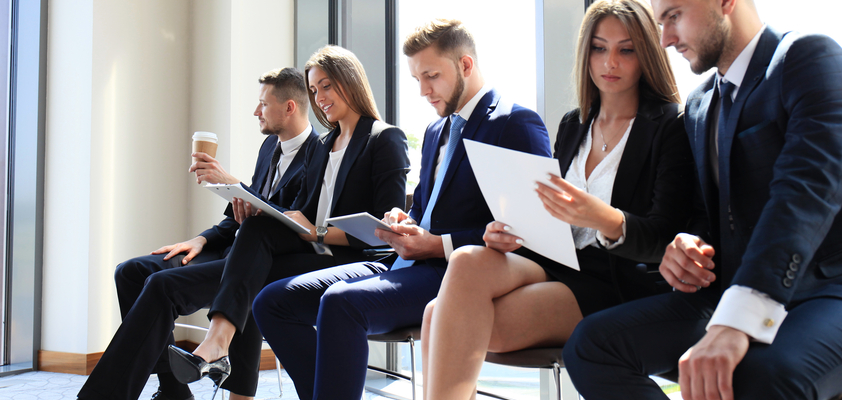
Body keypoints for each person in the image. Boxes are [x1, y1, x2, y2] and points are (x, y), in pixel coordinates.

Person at [563, 0, 842, 399]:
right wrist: (688, 245)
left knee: (759, 375)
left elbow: (803, 196)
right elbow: (709, 215)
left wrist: (736, 323)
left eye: (674, 17)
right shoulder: (703, 102)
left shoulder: (810, 59)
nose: (666, 39)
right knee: (592, 346)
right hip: (738, 289)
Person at [251, 18, 551, 399]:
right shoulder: (435, 131)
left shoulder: (514, 123)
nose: (424, 91)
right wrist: (403, 222)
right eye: (416, 80)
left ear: (465, 65)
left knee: (341, 303)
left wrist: (438, 244)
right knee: (273, 301)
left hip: (456, 272)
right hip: (405, 262)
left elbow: (532, 232)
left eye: (431, 76)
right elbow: (425, 209)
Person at [420, 1, 696, 398]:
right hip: (560, 261)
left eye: (626, 49)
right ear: (586, 53)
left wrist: (602, 217)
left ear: (646, 54)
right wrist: (512, 231)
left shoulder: (669, 125)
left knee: (438, 316)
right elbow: (550, 216)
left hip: (618, 279)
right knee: (466, 260)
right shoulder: (574, 123)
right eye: (600, 48)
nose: (610, 62)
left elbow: (664, 233)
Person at [167, 45, 410, 398]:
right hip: (314, 249)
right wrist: (255, 204)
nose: (320, 97)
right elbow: (301, 212)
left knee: (256, 279)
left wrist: (318, 230)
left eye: (327, 86)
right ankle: (219, 343)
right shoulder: (324, 145)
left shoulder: (383, 138)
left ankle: (221, 348)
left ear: (351, 81)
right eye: (314, 90)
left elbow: (384, 231)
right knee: (255, 237)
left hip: (360, 257)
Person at [77, 67, 318, 400]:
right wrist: (201, 239)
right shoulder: (269, 149)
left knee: (160, 285)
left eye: (262, 104)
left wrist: (231, 181)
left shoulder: (320, 155)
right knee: (132, 272)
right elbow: (241, 216)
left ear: (289, 107)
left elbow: (288, 224)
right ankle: (175, 391)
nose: (255, 111)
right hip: (229, 248)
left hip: (258, 264)